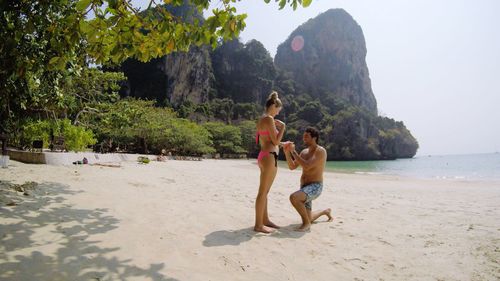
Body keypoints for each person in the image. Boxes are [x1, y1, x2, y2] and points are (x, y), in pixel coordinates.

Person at [283, 127, 333, 231]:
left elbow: (307, 166)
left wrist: (294, 152)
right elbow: (292, 166)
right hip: (304, 187)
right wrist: (287, 152)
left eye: (307, 136)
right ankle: (325, 211)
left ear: (314, 138)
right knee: (309, 217)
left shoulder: (320, 151)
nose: (304, 138)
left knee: (294, 197)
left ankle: (306, 224)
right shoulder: (304, 152)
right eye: (303, 136)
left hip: (315, 186)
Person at [254, 91, 286, 233]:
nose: (278, 113)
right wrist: (283, 127)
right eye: (278, 110)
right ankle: (258, 225)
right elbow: (275, 141)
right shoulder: (269, 119)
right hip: (269, 157)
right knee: (263, 192)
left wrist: (283, 144)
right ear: (274, 105)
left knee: (264, 192)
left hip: (264, 155)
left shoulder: (262, 119)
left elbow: (269, 140)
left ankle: (264, 220)